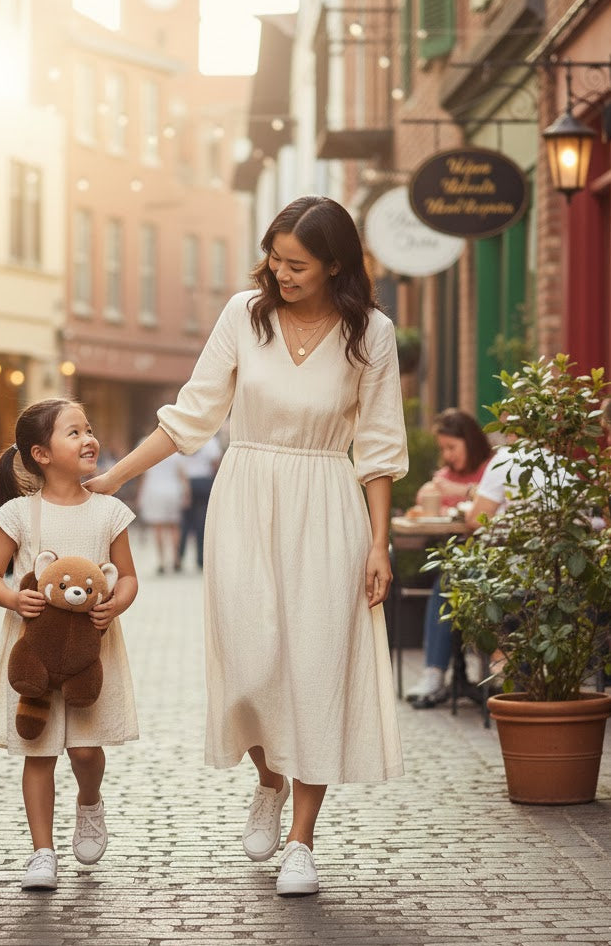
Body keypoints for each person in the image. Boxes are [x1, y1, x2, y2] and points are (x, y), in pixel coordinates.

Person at [86, 195, 408, 897]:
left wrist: (380, 544)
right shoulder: (245, 314)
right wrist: (112, 478)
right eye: (275, 257)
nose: (280, 272)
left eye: (297, 264)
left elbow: (380, 448)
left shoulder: (371, 334)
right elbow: (188, 419)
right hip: (244, 498)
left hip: (326, 503)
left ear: (334, 265)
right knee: (250, 664)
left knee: (320, 665)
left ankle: (302, 839)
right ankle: (269, 778)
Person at [0, 398, 139, 891]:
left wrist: (118, 605)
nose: (89, 438)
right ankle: (42, 852)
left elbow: (127, 576)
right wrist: (14, 598)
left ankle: (89, 802)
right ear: (41, 454)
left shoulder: (110, 511)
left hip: (92, 650)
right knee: (38, 749)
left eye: (89, 429)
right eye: (74, 432)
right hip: (35, 650)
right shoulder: (19, 514)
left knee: (86, 752)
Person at [405, 410, 492, 708]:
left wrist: (462, 491)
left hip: (492, 558)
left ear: (470, 441)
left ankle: (439, 674)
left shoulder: (490, 469)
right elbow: (425, 495)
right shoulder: (447, 474)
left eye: (452, 447)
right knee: (445, 580)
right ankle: (435, 673)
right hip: (456, 556)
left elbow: (491, 501)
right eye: (443, 449)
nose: (447, 455)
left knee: (447, 581)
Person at [135, 447, 187, 574]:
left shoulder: (147, 446)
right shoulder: (175, 449)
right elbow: (182, 474)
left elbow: (143, 474)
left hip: (154, 491)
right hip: (173, 490)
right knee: (174, 526)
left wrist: (140, 495)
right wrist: (186, 493)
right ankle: (176, 560)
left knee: (158, 528)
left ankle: (161, 561)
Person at [176, 434, 223, 571]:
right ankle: (200, 559)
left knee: (184, 522)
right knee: (202, 522)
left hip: (186, 482)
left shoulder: (185, 437)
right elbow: (215, 463)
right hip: (203, 482)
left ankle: (179, 556)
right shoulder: (210, 441)